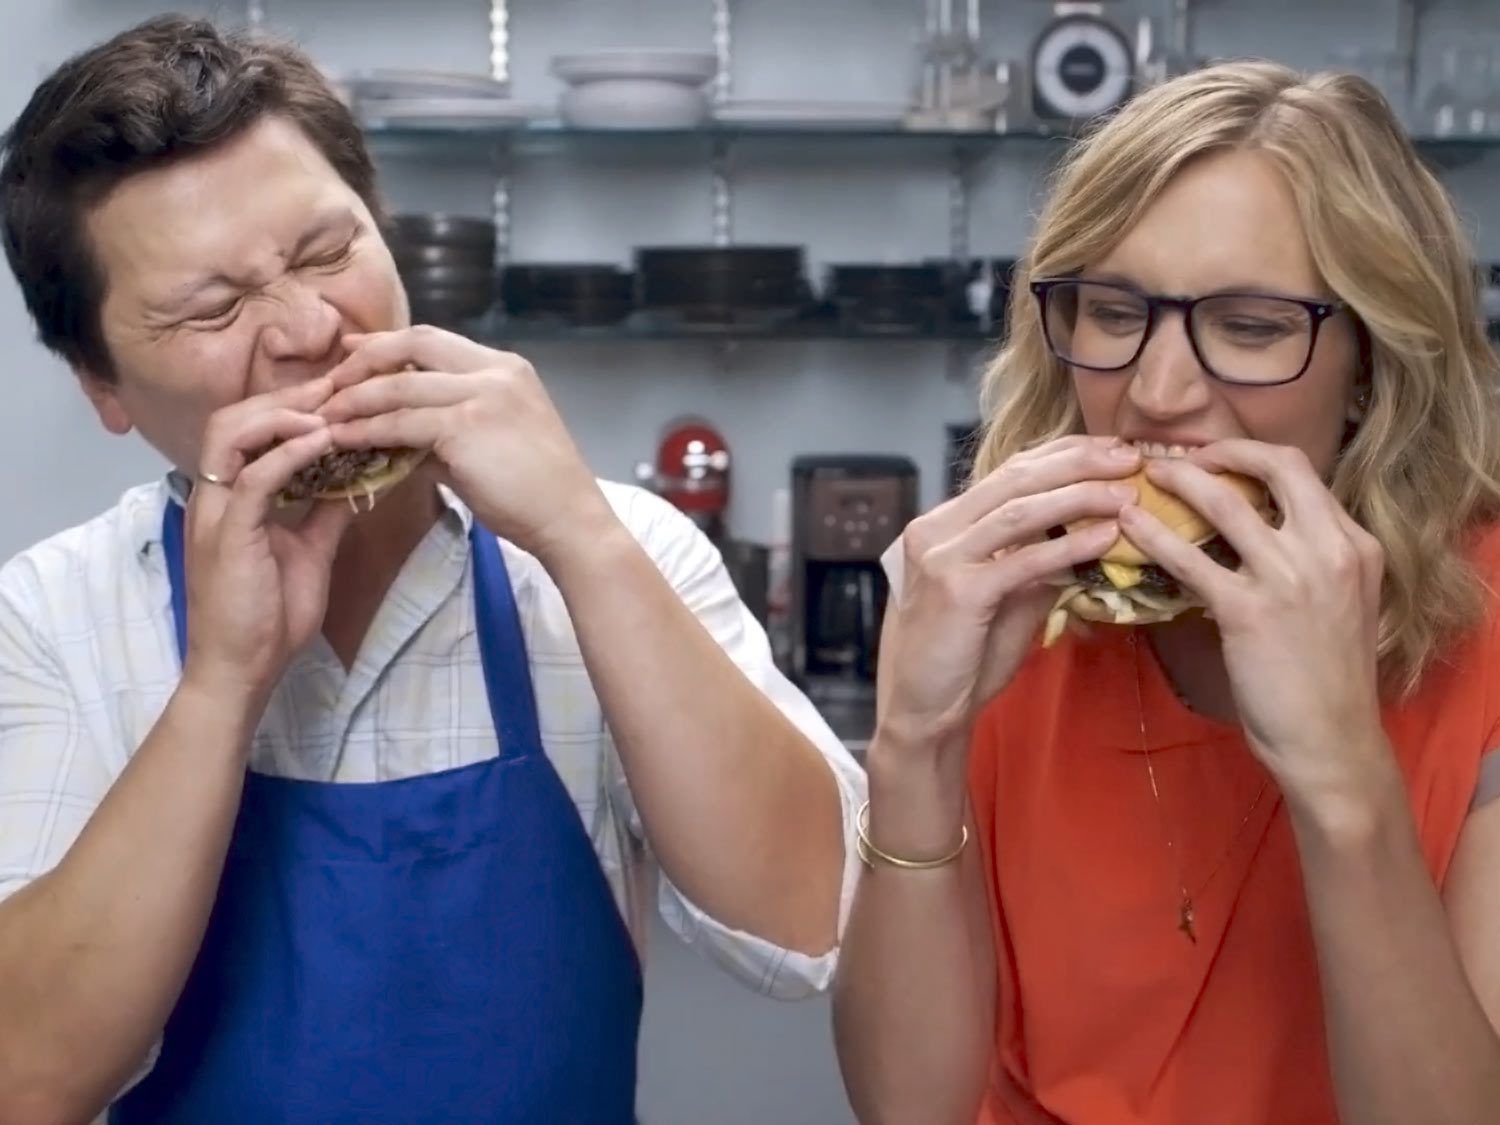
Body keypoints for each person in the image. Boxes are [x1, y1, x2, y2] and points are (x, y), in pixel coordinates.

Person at [0, 16, 864, 1124]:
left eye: (329, 253)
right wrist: (221, 687)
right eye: (213, 309)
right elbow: (26, 1081)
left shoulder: (611, 552)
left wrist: (583, 538)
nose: (311, 329)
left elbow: (811, 928)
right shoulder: (56, 614)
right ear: (103, 385)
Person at [833, 60, 1500, 1125]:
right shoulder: (1010, 604)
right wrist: (915, 740)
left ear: (1373, 361)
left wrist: (1339, 775)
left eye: (1249, 327)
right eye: (1113, 311)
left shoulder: (1490, 633)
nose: (1156, 392)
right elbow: (910, 1107)